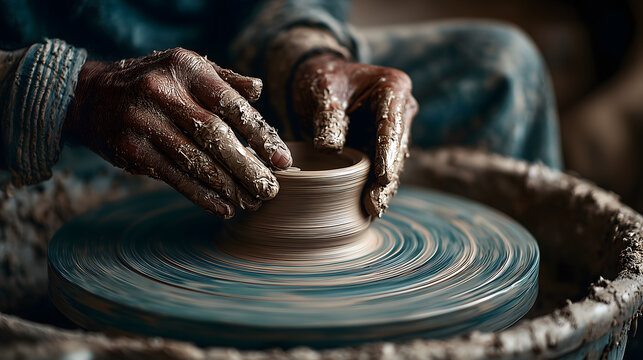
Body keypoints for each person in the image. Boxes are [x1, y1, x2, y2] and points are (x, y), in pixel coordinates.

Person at [0, 0, 562, 219]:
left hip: (219, 90)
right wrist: (66, 92)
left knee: (501, 72)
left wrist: (303, 51)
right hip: (32, 126)